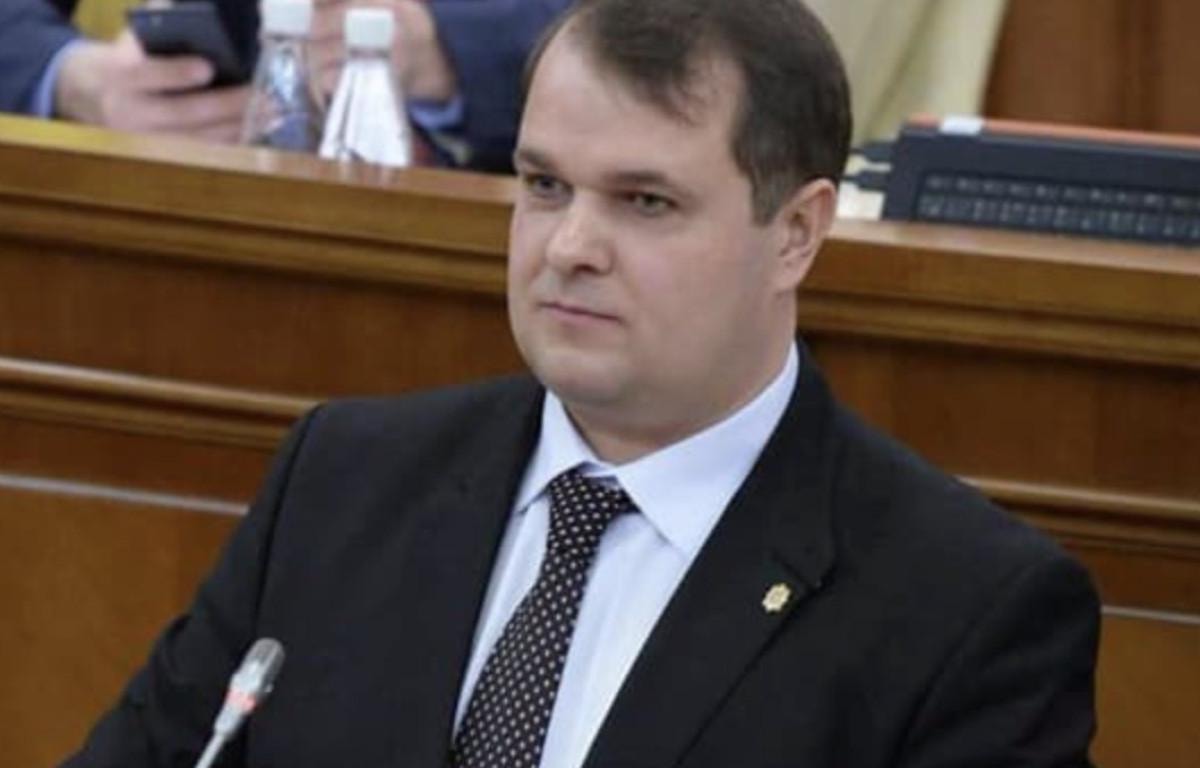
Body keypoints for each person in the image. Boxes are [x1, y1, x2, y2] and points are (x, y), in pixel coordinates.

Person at [62, 1, 1100, 766]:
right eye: (546, 185)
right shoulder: (341, 481)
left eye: (645, 202)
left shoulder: (967, 609)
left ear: (795, 233)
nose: (568, 247)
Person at [0, 0, 571, 170]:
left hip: (493, 256)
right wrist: (71, 78)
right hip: (204, 207)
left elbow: (623, 27)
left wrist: (449, 54)